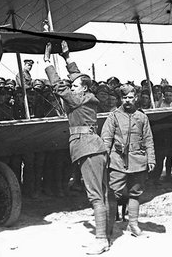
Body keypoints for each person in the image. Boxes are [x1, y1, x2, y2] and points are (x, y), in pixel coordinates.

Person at [44, 41, 111, 254]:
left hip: (87, 148)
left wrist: (48, 64)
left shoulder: (78, 100)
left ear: (82, 89)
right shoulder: (85, 97)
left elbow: (61, 87)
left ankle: (101, 239)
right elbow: (77, 79)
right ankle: (106, 234)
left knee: (95, 196)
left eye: (74, 86)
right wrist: (67, 57)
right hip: (93, 148)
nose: (71, 87)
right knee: (101, 193)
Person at [101, 84, 155, 237]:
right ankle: (108, 228)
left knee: (135, 193)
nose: (127, 100)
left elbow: (148, 139)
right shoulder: (113, 116)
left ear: (136, 98)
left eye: (130, 97)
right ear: (120, 99)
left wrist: (151, 159)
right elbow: (106, 138)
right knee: (113, 193)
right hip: (117, 161)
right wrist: (105, 158)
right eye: (124, 97)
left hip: (138, 161)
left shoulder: (142, 117)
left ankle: (134, 226)